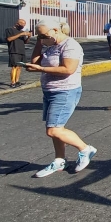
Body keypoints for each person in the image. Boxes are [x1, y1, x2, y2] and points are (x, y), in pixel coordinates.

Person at [24, 19, 96, 178]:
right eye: (39, 36)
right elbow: (34, 62)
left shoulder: (70, 45)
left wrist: (41, 69)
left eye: (43, 35)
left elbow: (68, 69)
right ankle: (60, 160)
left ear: (55, 30)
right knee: (58, 129)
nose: (41, 38)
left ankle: (85, 149)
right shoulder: (50, 46)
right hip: (50, 91)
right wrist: (38, 44)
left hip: (65, 91)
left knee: (53, 130)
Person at [5, 19, 31, 88]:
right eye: (22, 24)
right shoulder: (9, 29)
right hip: (14, 50)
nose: (23, 26)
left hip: (21, 51)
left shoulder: (22, 32)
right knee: (15, 66)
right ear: (17, 23)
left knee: (19, 66)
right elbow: (9, 39)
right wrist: (21, 34)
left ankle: (17, 81)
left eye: (24, 25)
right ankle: (12, 82)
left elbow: (25, 42)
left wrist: (29, 36)